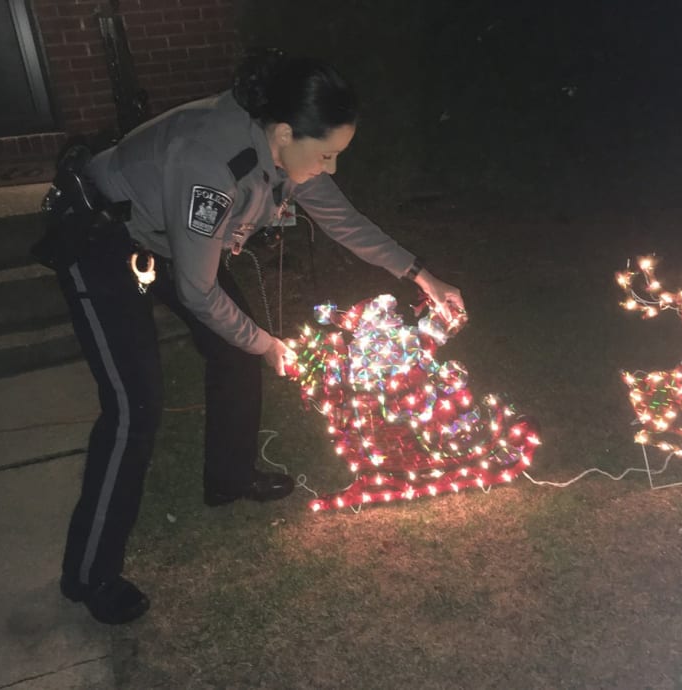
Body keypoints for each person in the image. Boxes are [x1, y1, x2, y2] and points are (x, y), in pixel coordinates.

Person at [46, 50, 465, 625]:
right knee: (133, 405)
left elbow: (343, 220)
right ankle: (89, 574)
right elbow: (197, 292)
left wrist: (420, 273)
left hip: (168, 238)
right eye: (327, 155)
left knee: (233, 351)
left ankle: (230, 477)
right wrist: (270, 346)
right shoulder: (211, 165)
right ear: (287, 132)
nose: (332, 169)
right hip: (101, 240)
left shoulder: (284, 153)